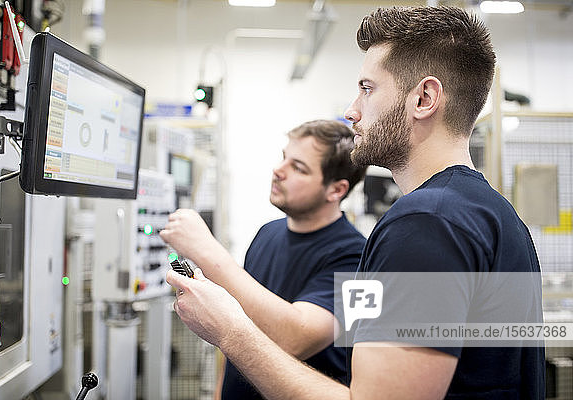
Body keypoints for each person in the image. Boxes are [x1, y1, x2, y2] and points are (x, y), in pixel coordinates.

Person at [166, 7, 545, 399]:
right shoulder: (491, 212)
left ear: (425, 98)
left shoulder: (425, 223)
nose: (352, 110)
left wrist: (231, 330)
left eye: (367, 88)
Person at [159, 120, 367, 399]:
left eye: (298, 167)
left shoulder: (355, 257)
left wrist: (206, 249)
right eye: (284, 159)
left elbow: (295, 339)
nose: (278, 171)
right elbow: (235, 317)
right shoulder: (268, 233)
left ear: (336, 190)